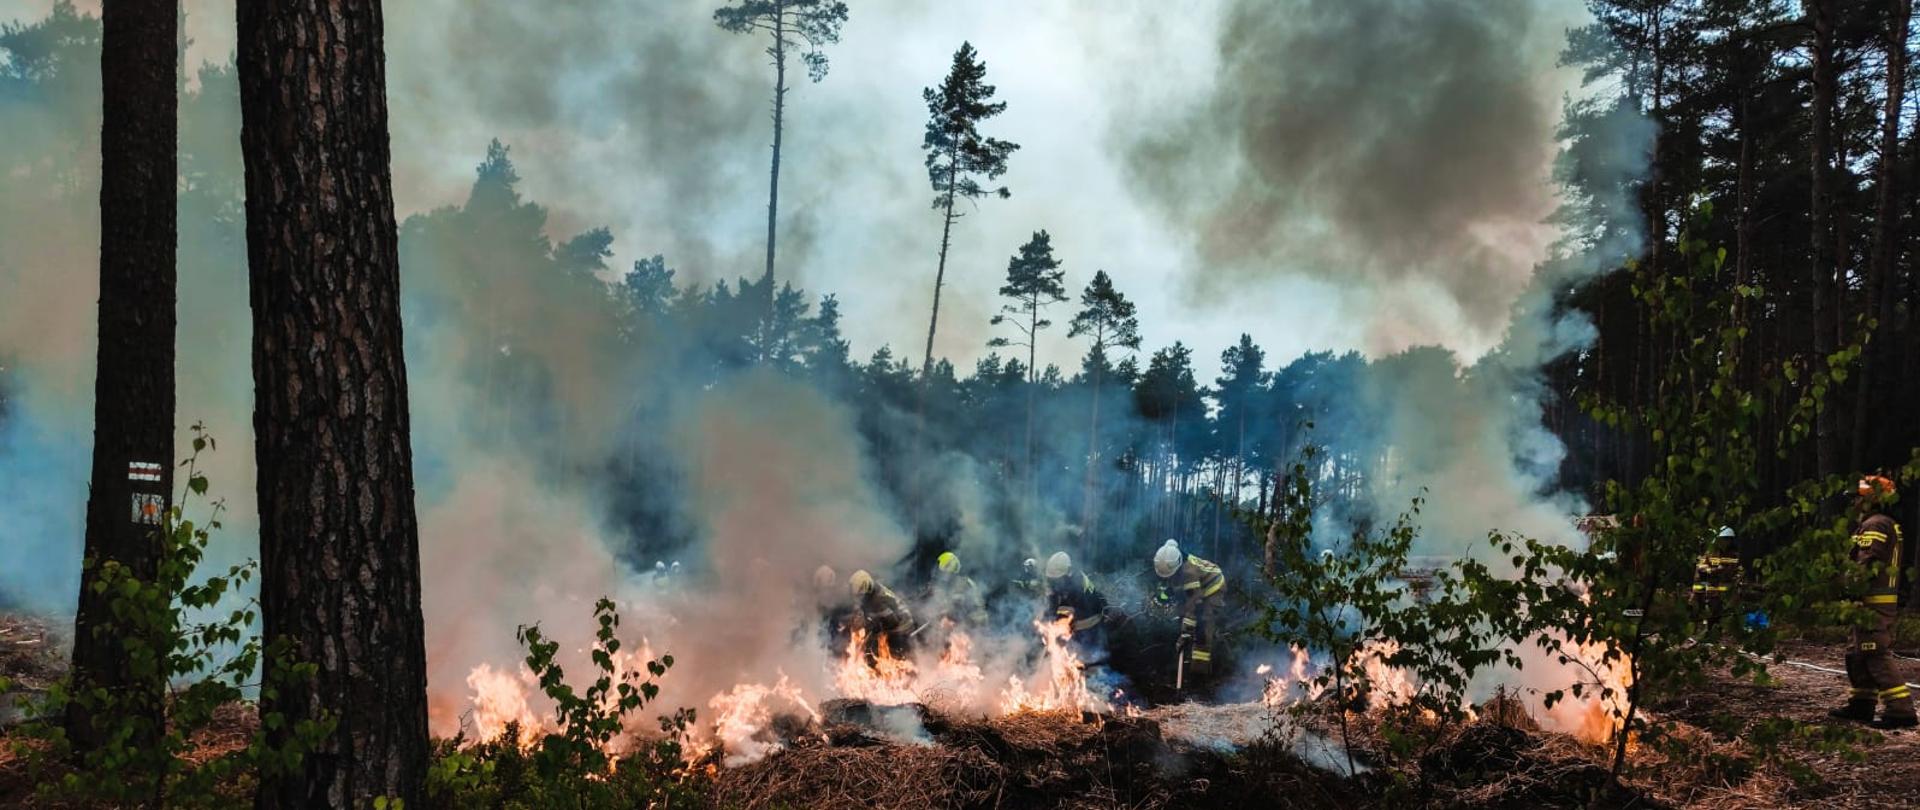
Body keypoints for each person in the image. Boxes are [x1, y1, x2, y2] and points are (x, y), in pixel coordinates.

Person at [1830, 476, 1914, 729]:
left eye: (1858, 497)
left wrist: (1849, 587)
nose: (1854, 502)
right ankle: (1861, 704)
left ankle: (1901, 710)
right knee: (1857, 653)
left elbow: (1868, 561)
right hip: (1872, 600)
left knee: (1874, 652)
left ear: (1872, 500)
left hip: (1872, 601)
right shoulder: (1883, 523)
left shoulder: (1875, 524)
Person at [1153, 539, 1226, 680]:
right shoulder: (1173, 560)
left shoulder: (1189, 573)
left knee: (1203, 628)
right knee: (1186, 617)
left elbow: (1195, 601)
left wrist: (1187, 629)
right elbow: (1177, 583)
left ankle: (1199, 673)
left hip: (1213, 587)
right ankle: (1185, 657)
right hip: (1198, 587)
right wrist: (1166, 594)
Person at [1042, 552, 1110, 667]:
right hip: (1081, 622)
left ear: (1067, 573)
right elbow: (1054, 602)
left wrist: (1056, 632)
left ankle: (1094, 673)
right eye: (1052, 579)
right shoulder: (1066, 581)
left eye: (1057, 579)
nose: (1054, 582)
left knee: (1086, 661)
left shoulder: (1076, 585)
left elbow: (1065, 613)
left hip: (1089, 628)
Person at [849, 569, 916, 664]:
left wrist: (874, 626)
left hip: (902, 626)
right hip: (893, 620)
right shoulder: (872, 590)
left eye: (860, 595)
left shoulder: (878, 601)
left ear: (865, 588)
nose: (859, 598)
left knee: (878, 647)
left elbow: (892, 622)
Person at [1691, 527, 1740, 622]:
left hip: (1725, 585)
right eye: (1722, 539)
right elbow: (1701, 566)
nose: (1725, 542)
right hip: (1709, 583)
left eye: (1727, 539)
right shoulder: (1711, 553)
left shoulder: (1733, 554)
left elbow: (1731, 570)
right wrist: (1710, 570)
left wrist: (1717, 571)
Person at [928, 551, 988, 627]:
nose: (940, 575)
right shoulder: (943, 588)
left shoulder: (966, 585)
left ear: (949, 568)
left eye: (942, 571)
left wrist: (959, 624)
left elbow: (981, 616)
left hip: (969, 630)